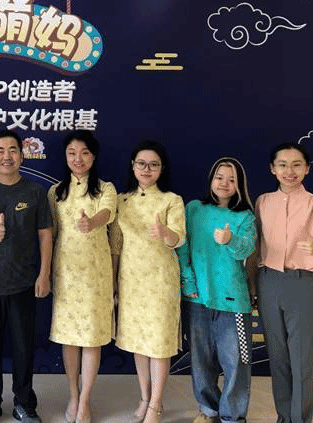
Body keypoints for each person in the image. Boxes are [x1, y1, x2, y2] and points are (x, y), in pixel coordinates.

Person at [248, 142, 313, 423]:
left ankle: (300, 419)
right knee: (277, 357)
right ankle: (283, 417)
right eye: (283, 165)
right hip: (267, 282)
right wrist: (252, 285)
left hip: (301, 284)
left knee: (301, 360)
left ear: (307, 169)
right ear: (272, 169)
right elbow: (255, 247)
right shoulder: (263, 202)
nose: (289, 171)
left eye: (297, 165)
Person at [0, 129, 53, 423]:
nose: (7, 156)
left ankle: (24, 403)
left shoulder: (35, 192)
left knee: (23, 348)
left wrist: (44, 274)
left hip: (24, 283)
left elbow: (45, 234)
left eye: (13, 150)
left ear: (22, 155)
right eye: (0, 151)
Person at [109, 140, 185, 423]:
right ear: (133, 165)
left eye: (153, 165)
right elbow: (116, 245)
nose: (147, 169)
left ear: (162, 169)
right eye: (141, 163)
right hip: (131, 280)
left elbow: (179, 238)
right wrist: (114, 281)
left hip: (161, 280)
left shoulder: (171, 200)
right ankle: (144, 397)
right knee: (139, 342)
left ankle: (156, 403)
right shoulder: (121, 200)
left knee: (159, 343)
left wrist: (165, 232)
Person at [176, 158, 256, 423]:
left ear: (239, 185)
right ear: (211, 179)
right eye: (220, 177)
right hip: (197, 299)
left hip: (233, 302)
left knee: (237, 362)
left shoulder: (245, 216)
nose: (224, 183)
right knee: (200, 360)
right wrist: (188, 283)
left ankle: (232, 416)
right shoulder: (194, 209)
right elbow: (182, 248)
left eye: (231, 180)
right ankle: (208, 410)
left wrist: (230, 239)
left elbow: (246, 249)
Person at [48, 130, 116, 423]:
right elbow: (50, 233)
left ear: (94, 156)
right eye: (72, 153)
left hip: (95, 276)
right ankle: (73, 395)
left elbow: (107, 214)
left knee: (91, 339)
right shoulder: (55, 192)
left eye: (84, 152)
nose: (78, 159)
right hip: (65, 273)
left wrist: (92, 222)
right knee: (69, 338)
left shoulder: (105, 188)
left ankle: (86, 399)